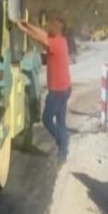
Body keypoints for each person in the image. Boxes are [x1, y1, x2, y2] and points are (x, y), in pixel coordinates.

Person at [16, 13, 72, 160]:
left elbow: (38, 37)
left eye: (55, 24)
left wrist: (22, 28)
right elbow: (41, 33)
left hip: (58, 91)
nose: (51, 25)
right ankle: (63, 151)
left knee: (47, 119)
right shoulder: (59, 40)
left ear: (60, 28)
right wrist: (27, 24)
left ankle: (62, 141)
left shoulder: (56, 43)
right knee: (60, 120)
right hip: (64, 88)